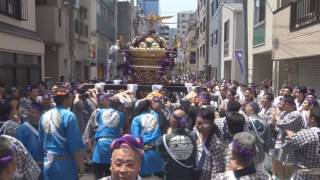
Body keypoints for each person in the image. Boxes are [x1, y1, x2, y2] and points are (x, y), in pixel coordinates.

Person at [39, 87, 86, 180]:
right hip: (65, 166)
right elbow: (75, 145)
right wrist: (81, 165)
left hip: (47, 164)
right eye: (70, 97)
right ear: (65, 99)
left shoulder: (44, 116)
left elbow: (40, 142)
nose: (72, 98)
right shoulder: (69, 116)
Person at [91, 96, 126, 179]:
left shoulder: (100, 111)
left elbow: (95, 125)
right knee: (110, 173)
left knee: (98, 173)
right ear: (118, 105)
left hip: (100, 143)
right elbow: (121, 131)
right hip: (113, 145)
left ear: (109, 104)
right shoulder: (121, 115)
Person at [271, 95, 304, 180]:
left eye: (281, 102)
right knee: (281, 167)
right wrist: (275, 118)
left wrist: (277, 117)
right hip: (282, 144)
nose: (279, 104)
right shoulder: (284, 113)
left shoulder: (296, 114)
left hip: (292, 147)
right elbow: (276, 127)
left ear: (288, 104)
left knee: (288, 170)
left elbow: (283, 125)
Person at [281, 107, 320, 180]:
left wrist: (289, 135)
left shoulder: (307, 134)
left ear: (312, 119)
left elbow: (285, 147)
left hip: (304, 175)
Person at [131, 100, 164, 179]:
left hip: (143, 153)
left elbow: (136, 139)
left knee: (143, 176)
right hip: (156, 152)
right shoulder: (155, 116)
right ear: (149, 108)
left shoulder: (136, 119)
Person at [160, 109, 197, 180]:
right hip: (188, 175)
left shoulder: (164, 139)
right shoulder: (193, 136)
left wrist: (169, 135)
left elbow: (159, 152)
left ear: (173, 120)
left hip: (171, 176)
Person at [195, 108, 227, 180]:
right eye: (198, 123)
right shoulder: (195, 132)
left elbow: (218, 171)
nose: (200, 127)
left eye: (204, 125)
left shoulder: (217, 144)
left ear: (212, 124)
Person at [16, 103, 44, 173]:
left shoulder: (44, 128)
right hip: (29, 167)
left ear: (40, 114)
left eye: (33, 112)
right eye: (30, 111)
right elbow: (19, 149)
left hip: (43, 167)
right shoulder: (22, 129)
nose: (30, 114)